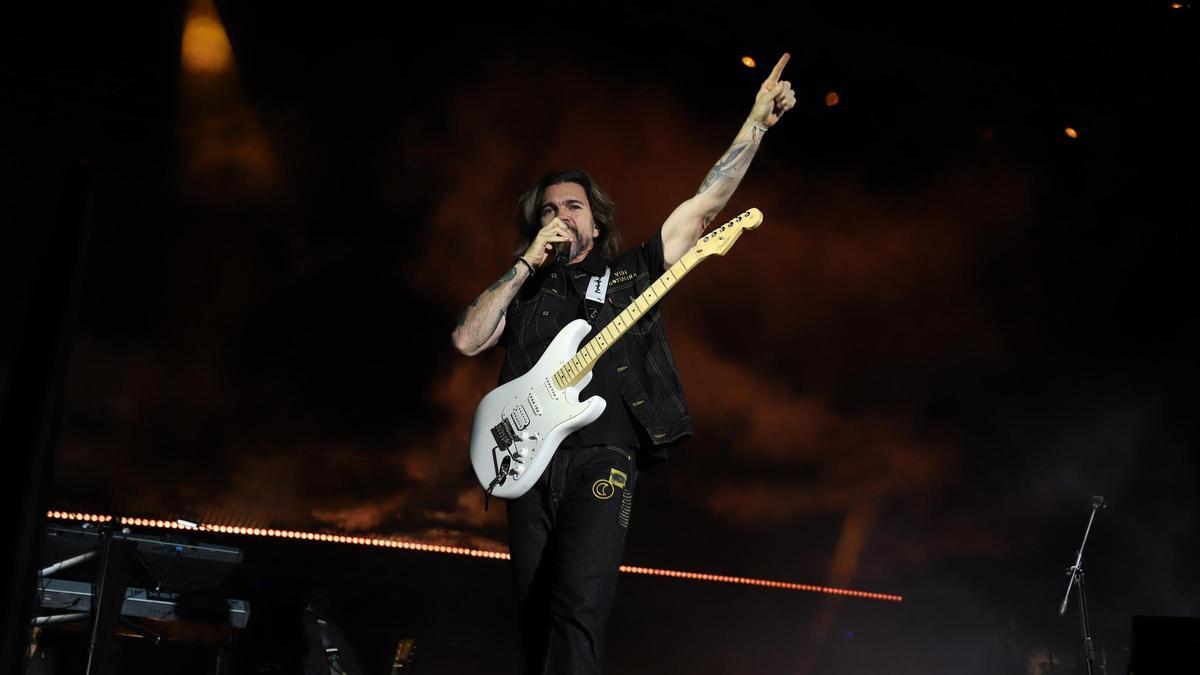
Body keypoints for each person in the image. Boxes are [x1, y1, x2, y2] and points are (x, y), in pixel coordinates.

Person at [451, 54, 795, 675]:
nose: (562, 216)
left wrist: (756, 124)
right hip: (527, 463)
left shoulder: (630, 272)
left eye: (574, 206)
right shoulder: (525, 291)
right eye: (550, 209)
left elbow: (704, 205)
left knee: (578, 606)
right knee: (534, 617)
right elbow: (468, 339)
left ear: (596, 217)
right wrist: (526, 262)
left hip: (602, 459)